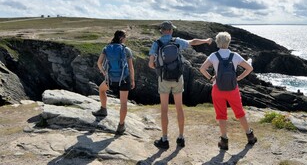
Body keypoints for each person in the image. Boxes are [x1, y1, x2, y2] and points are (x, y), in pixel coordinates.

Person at [148, 21, 213, 149]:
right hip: (178, 78)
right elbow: (193, 41)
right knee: (179, 108)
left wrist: (159, 66)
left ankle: (164, 139)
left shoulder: (157, 43)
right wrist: (206, 40)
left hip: (163, 78)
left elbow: (150, 64)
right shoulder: (177, 41)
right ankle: (181, 138)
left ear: (162, 30)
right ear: (171, 30)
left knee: (164, 109)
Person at [199, 31, 257, 150]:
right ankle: (250, 136)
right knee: (239, 112)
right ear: (228, 42)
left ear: (217, 42)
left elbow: (202, 69)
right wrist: (238, 78)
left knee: (221, 115)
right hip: (233, 89)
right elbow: (249, 68)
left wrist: (211, 78)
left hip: (217, 89)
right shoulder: (234, 56)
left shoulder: (214, 56)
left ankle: (224, 141)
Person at [92, 30, 135, 135]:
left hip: (110, 79)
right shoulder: (126, 50)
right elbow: (131, 67)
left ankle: (103, 109)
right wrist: (132, 80)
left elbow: (99, 63)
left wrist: (104, 72)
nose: (125, 39)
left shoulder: (106, 48)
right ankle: (121, 125)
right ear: (121, 38)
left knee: (101, 90)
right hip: (124, 79)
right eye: (125, 37)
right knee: (123, 102)